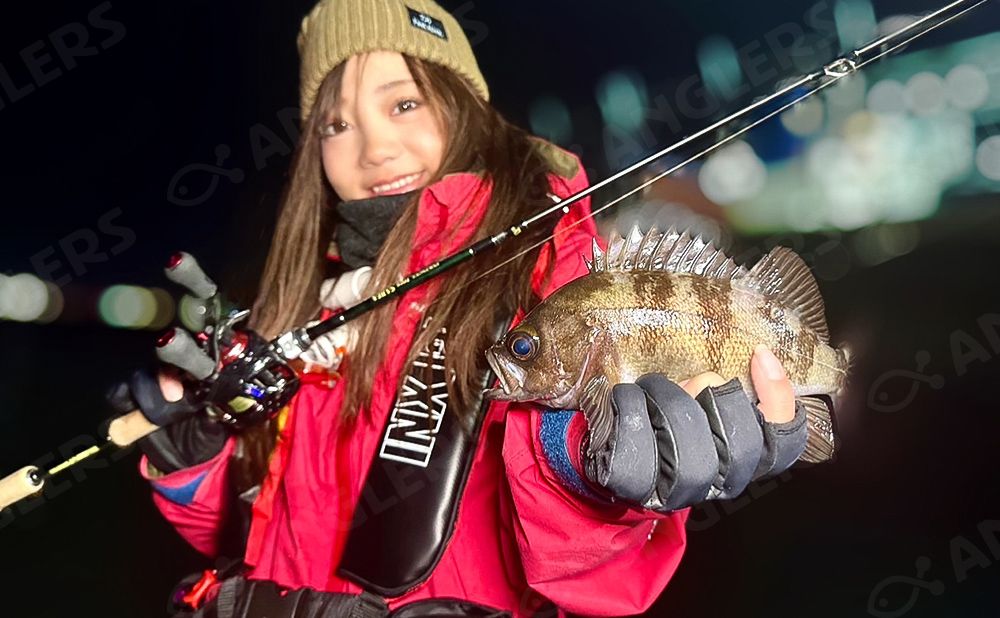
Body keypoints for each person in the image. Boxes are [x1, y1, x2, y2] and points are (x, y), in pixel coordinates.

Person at [116, 1, 809, 616]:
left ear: (465, 106)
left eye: (404, 104)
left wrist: (593, 474)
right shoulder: (305, 300)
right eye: (334, 124)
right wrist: (196, 456)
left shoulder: (549, 268)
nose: (374, 146)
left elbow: (593, 557)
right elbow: (260, 522)